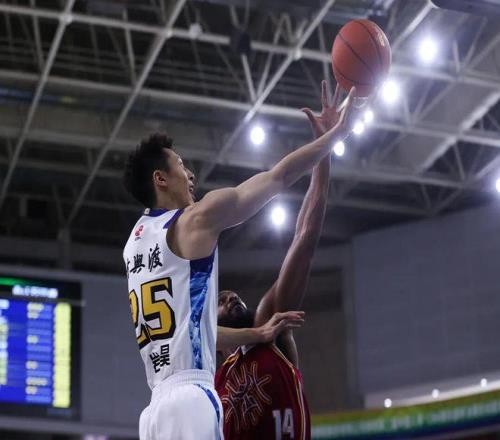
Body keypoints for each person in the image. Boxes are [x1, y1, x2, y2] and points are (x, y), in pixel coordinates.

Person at [122, 83, 357, 440]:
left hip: (154, 411)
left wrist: (255, 334)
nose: (190, 175)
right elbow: (277, 178)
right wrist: (335, 135)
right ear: (160, 179)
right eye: (181, 166)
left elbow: (192, 330)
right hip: (191, 397)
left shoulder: (134, 245)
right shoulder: (195, 219)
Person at [215, 80, 341, 440]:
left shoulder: (268, 326)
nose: (230, 297)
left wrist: (323, 149)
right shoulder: (215, 381)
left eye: (231, 295)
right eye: (221, 300)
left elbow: (304, 238)